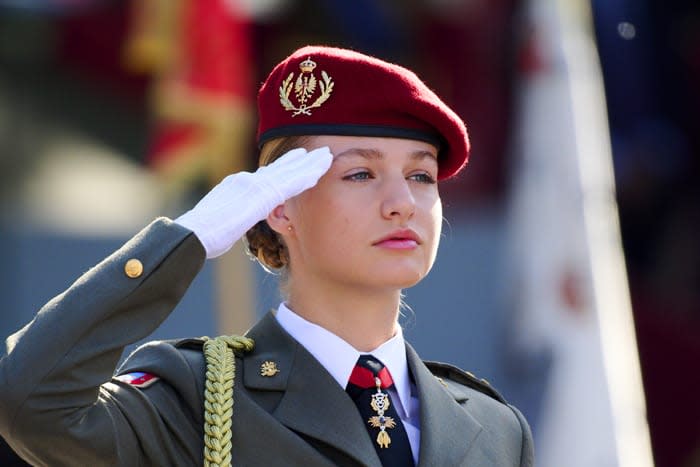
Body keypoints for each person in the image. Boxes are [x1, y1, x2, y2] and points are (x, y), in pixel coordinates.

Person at [0, 46, 533, 466]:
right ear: (279, 207)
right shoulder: (198, 400)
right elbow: (31, 402)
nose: (402, 204)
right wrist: (187, 239)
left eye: (421, 175)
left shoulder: (492, 428)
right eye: (360, 174)